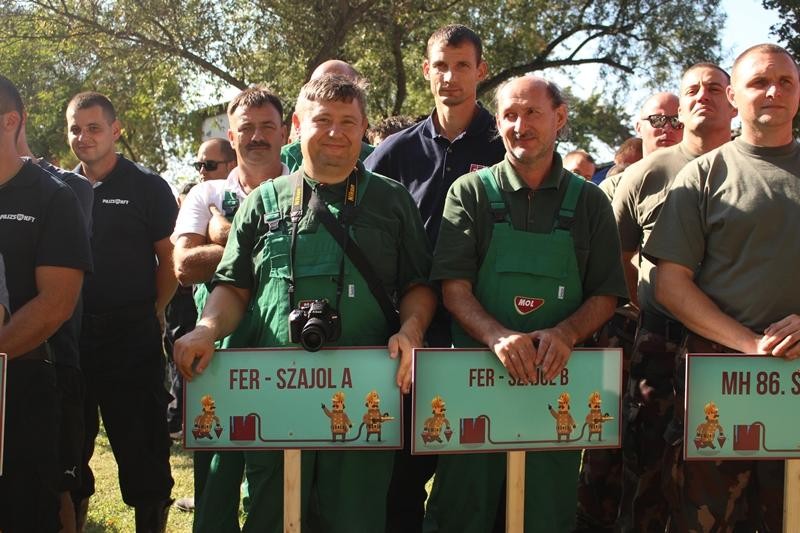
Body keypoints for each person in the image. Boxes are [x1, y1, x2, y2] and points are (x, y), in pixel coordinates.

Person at [176, 74, 435, 533]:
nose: (336, 132)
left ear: (364, 128)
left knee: (355, 520)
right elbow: (233, 287)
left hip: (365, 394)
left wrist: (411, 328)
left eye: (348, 122)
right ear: (297, 126)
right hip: (277, 393)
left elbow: (419, 284)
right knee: (272, 515)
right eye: (323, 120)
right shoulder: (263, 202)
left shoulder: (391, 201)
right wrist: (207, 328)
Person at [425, 74, 627, 533]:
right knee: (461, 512)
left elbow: (606, 294)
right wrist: (497, 336)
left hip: (555, 392)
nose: (520, 125)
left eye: (532, 112)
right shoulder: (469, 193)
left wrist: (567, 333)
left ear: (560, 117)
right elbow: (454, 290)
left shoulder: (590, 202)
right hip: (474, 388)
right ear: (497, 123)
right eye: (510, 115)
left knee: (546, 514)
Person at [645, 43, 800, 531]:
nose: (773, 92)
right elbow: (670, 284)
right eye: (759, 82)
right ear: (734, 97)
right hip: (720, 380)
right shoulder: (702, 175)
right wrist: (751, 345)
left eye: (785, 82)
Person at [364, 23, 506, 532]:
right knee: (399, 480)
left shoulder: (505, 143)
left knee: (480, 482)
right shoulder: (395, 152)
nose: (450, 76)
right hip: (409, 335)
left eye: (462, 65)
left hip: (486, 333)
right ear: (426, 70)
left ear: (480, 71)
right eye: (441, 66)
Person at [611, 63, 736, 532]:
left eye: (715, 88)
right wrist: (649, 305)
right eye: (692, 90)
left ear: (733, 101)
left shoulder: (754, 165)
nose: (703, 96)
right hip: (660, 346)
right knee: (646, 477)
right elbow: (619, 259)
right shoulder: (644, 173)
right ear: (680, 107)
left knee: (724, 482)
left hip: (736, 349)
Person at [173, 86, 291, 531]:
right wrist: (258, 243)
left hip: (281, 348)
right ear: (231, 135)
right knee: (216, 469)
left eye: (267, 127)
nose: (257, 136)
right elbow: (185, 266)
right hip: (217, 347)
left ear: (285, 133)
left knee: (275, 469)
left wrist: (222, 235)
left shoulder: (305, 188)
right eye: (247, 128)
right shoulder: (206, 193)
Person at [66, 91, 177, 532]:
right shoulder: (61, 188)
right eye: (76, 129)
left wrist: (155, 309)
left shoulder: (147, 186)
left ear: (115, 130)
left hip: (131, 335)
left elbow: (169, 259)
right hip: (72, 334)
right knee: (70, 445)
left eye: (93, 128)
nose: (84, 137)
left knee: (142, 446)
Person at [0, 75, 92, 533]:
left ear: (10, 121)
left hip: (32, 383)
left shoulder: (52, 196)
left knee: (35, 508)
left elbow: (56, 303)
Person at [280, 59, 374, 172]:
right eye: (320, 85)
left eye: (344, 87)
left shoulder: (381, 160)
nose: (333, 92)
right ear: (298, 123)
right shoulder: (281, 160)